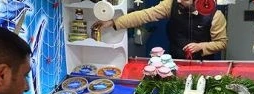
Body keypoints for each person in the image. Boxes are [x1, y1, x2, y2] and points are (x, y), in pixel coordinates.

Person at [91, 0, 227, 60]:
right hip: (175, 61)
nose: (179, 1)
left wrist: (201, 46)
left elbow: (221, 43)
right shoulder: (170, 4)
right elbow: (144, 15)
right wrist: (114, 22)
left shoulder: (216, 16)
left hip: (204, 65)